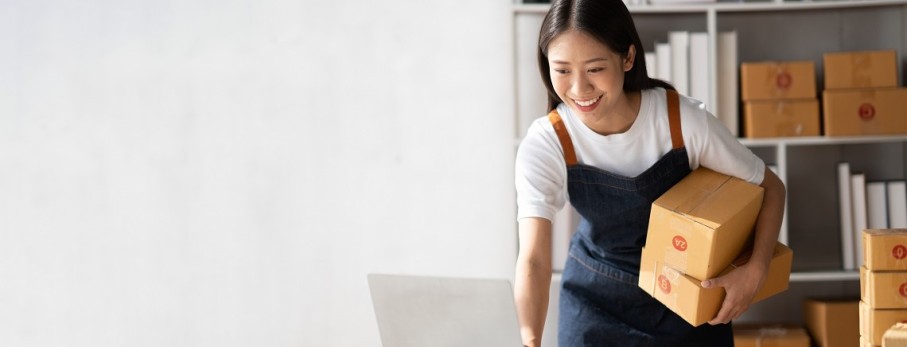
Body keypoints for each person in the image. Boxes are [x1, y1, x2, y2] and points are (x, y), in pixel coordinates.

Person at [512, 0, 787, 346]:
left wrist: (755, 271)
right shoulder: (547, 142)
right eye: (562, 70)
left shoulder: (681, 121)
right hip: (595, 300)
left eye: (595, 69)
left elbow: (771, 188)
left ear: (627, 58)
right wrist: (530, 339)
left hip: (686, 303)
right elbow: (534, 260)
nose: (579, 89)